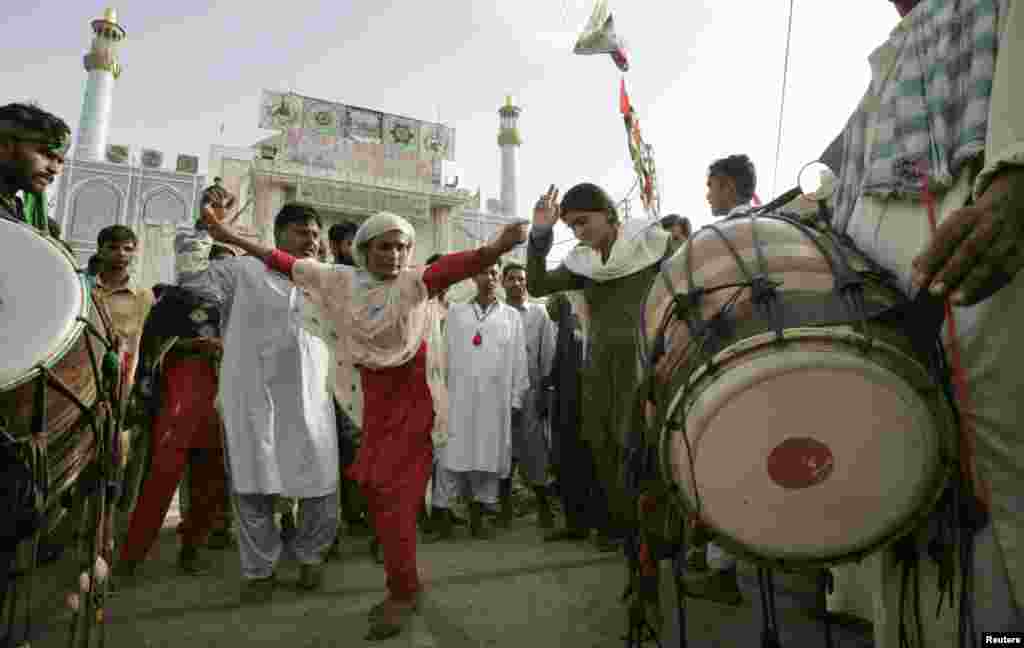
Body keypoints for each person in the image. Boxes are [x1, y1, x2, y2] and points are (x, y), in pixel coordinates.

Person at [201, 206, 528, 639]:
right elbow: (278, 259)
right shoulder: (340, 281)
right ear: (363, 250)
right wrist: (229, 235)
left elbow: (454, 266)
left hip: (413, 411)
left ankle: (403, 591)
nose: (394, 255)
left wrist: (500, 246)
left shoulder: (415, 282)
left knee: (396, 504)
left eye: (402, 246)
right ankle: (399, 578)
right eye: (384, 246)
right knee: (376, 496)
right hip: (372, 410)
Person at [821, 0, 1024, 643]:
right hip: (883, 301)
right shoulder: (890, 56)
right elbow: (831, 181)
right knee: (897, 481)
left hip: (977, 272)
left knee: (994, 497)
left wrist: (1017, 176)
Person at [178, 201, 340, 604]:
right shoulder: (242, 272)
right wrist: (203, 229)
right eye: (303, 233)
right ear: (280, 234)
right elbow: (191, 278)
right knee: (254, 488)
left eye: (316, 235)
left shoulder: (326, 280)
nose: (312, 241)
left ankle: (310, 557)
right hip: (253, 399)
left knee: (320, 487)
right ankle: (259, 570)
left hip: (311, 402)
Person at [527, 183, 671, 557]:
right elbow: (537, 284)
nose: (578, 232)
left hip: (645, 363)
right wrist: (541, 234)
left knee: (643, 444)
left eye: (582, 222)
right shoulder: (583, 262)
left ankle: (657, 533)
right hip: (598, 367)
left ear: (607, 213)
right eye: (571, 227)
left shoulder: (652, 244)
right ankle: (623, 530)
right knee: (604, 445)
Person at [117, 242, 236, 579]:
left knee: (211, 479)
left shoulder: (237, 306)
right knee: (162, 475)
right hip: (182, 394)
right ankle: (131, 557)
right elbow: (150, 346)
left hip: (223, 397)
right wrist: (196, 345)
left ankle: (192, 548)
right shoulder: (174, 301)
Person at [436, 262, 529, 540]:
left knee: (487, 458)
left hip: (494, 402)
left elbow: (519, 362)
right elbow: (443, 356)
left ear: (499, 278)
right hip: (458, 398)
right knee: (450, 456)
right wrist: (440, 395)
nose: (488, 278)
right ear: (473, 276)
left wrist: (516, 399)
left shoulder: (511, 317)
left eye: (493, 273)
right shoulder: (456, 313)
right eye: (483, 272)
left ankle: (478, 518)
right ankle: (442, 517)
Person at [542, 291, 606, 544]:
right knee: (568, 469)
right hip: (566, 408)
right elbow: (561, 366)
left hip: (583, 407)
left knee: (591, 468)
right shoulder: (567, 322)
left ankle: (601, 527)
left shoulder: (581, 316)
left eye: (553, 305)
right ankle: (576, 525)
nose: (550, 310)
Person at [501, 262, 557, 530]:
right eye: (511, 279)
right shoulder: (496, 314)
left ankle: (544, 506)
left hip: (531, 394)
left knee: (535, 450)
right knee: (502, 450)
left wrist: (546, 392)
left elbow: (547, 354)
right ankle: (503, 508)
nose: (517, 283)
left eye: (521, 279)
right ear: (503, 283)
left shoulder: (539, 313)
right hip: (499, 394)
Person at [0, 102, 69, 232]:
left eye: (60, 161)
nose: (55, 169)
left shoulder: (15, 210)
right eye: (46, 154)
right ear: (4, 145)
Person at [706, 154, 757, 220]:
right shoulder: (764, 221)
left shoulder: (722, 229)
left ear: (728, 188)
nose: (707, 196)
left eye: (711, 187)